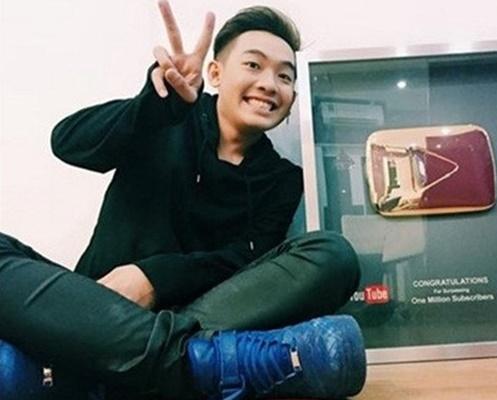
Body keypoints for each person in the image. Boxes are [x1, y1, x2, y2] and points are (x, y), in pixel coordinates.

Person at [0, 1, 366, 399]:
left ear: (292, 97)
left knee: (333, 255)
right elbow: (68, 142)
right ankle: (193, 362)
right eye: (253, 65)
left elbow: (241, 263)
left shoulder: (282, 180)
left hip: (191, 315)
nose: (269, 83)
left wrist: (153, 278)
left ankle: (102, 369)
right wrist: (154, 107)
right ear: (215, 73)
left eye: (284, 76)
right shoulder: (165, 117)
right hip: (98, 307)